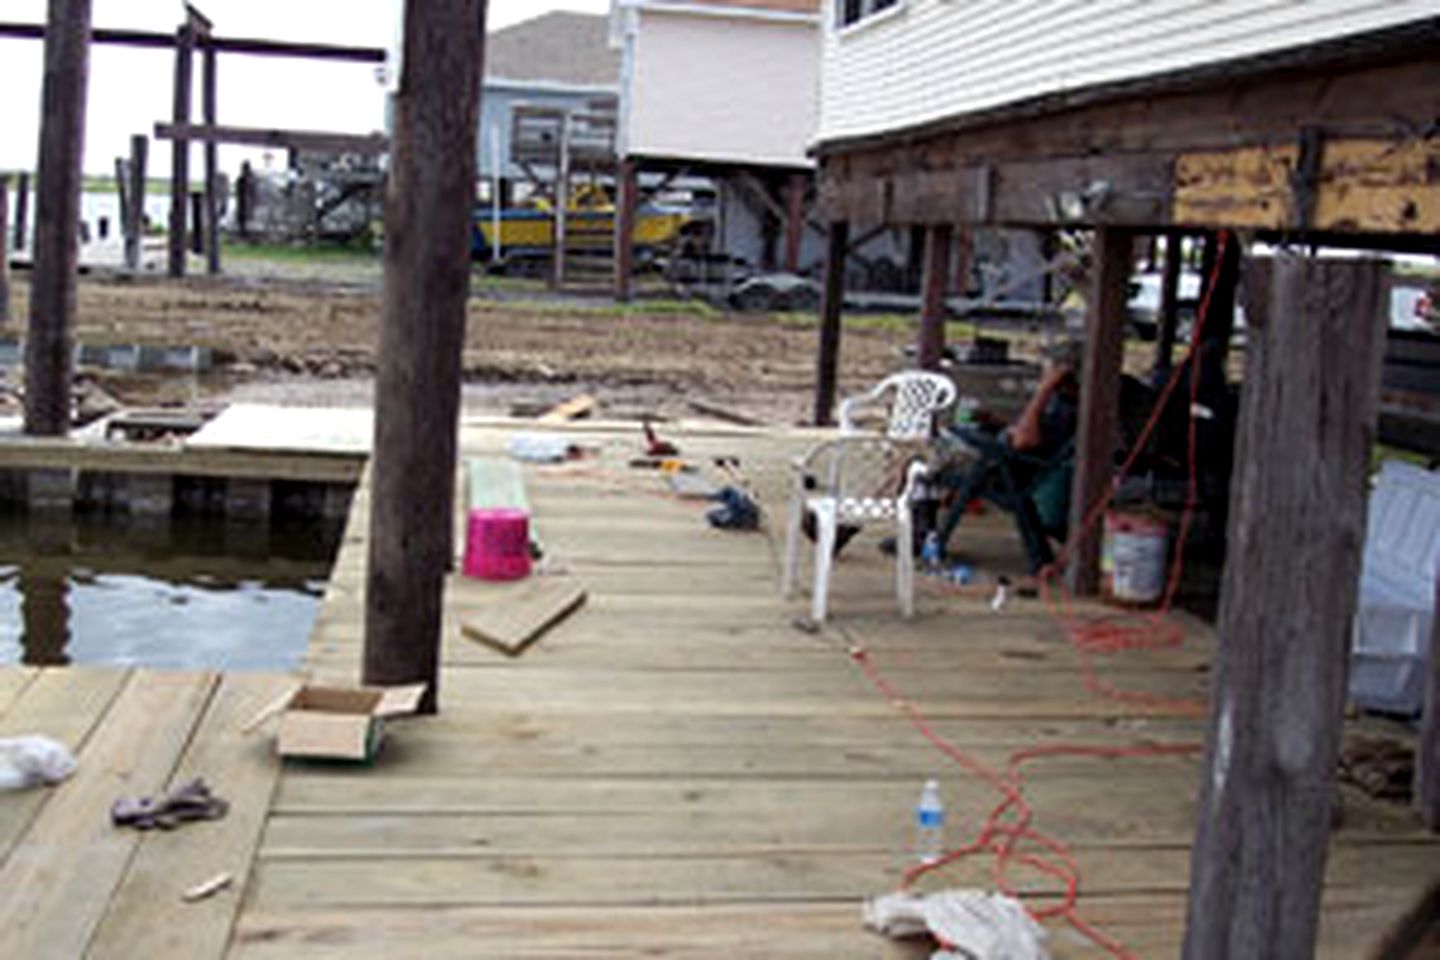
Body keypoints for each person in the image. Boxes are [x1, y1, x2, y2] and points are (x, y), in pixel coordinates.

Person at [924, 342, 1081, 564]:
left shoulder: (1066, 409)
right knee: (928, 455)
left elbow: (1024, 441)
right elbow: (1026, 434)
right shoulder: (1062, 403)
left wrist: (1043, 391)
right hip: (1008, 461)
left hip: (1006, 469)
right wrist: (998, 423)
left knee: (919, 462)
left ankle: (919, 536)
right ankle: (921, 532)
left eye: (1051, 367)